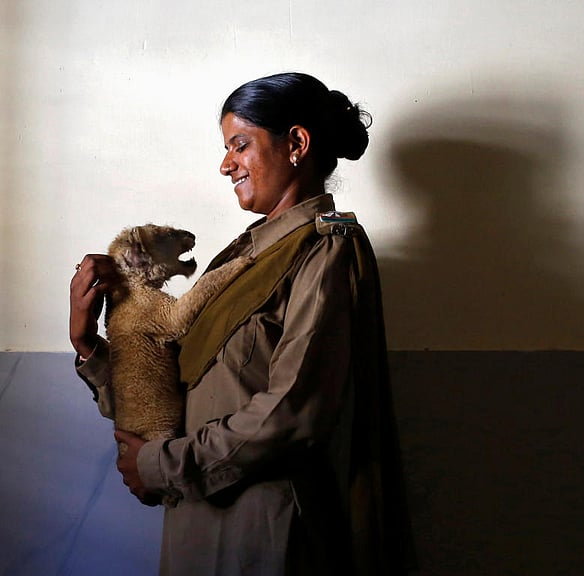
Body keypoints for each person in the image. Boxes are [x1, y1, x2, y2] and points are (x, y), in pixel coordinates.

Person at [69, 72, 414, 576]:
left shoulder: (325, 249)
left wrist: (160, 465)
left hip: (263, 532)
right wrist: (89, 344)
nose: (225, 163)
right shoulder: (246, 255)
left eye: (239, 144)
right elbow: (168, 391)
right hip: (197, 517)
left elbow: (294, 413)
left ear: (296, 143)